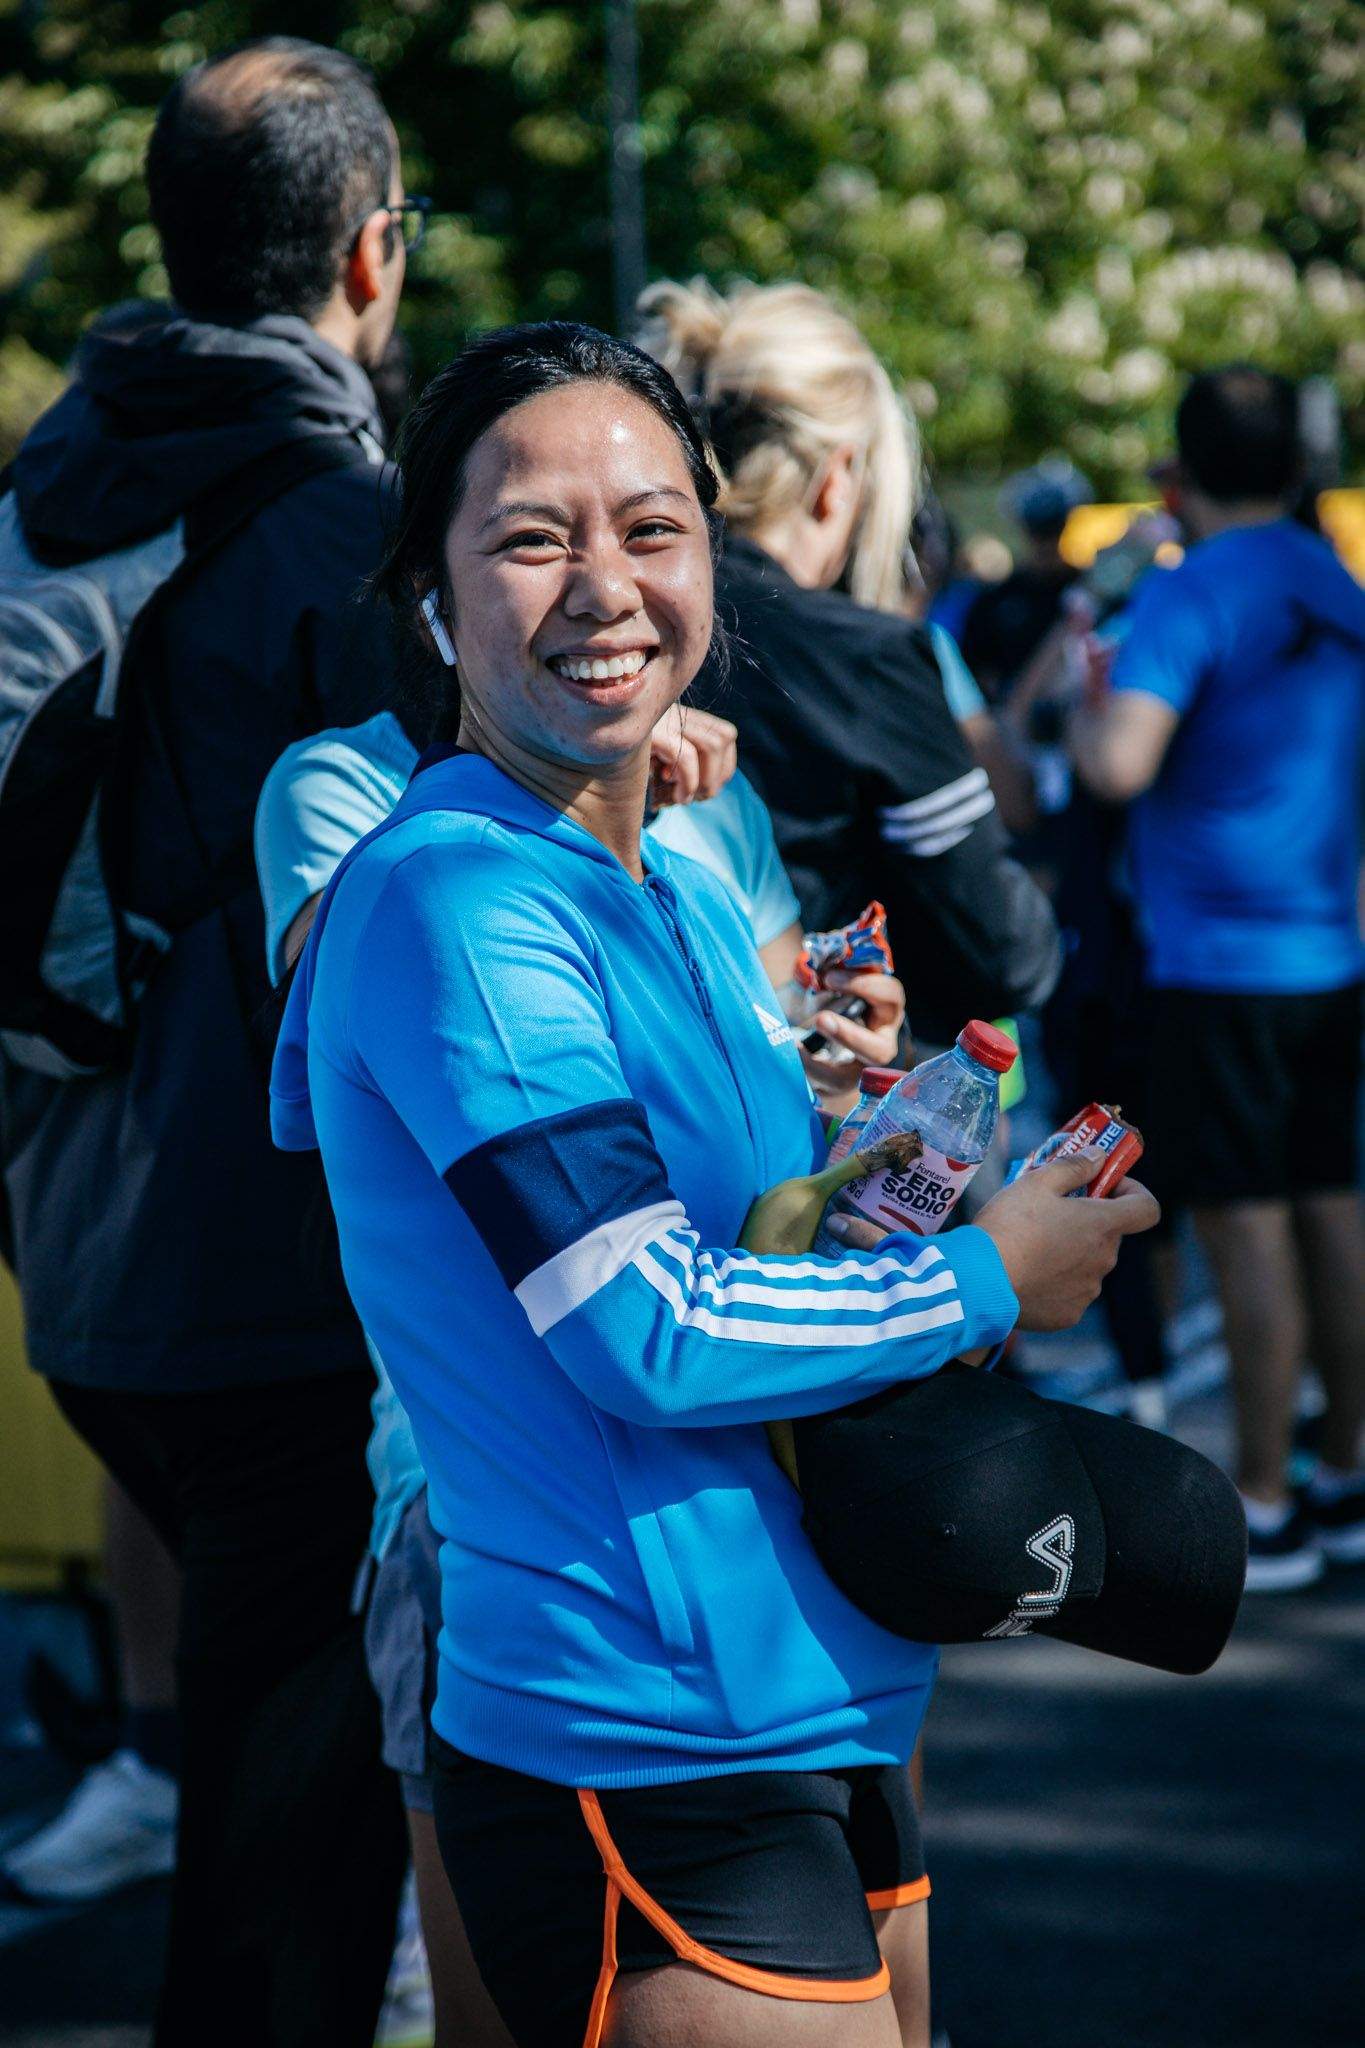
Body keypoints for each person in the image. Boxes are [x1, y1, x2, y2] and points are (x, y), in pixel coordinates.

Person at [271, 319, 1154, 2048]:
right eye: (533, 537)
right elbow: (644, 1323)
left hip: (822, 1681)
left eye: (652, 527)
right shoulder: (453, 896)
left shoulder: (663, 880)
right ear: (431, 591)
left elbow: (760, 1243)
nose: (605, 584)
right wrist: (990, 1275)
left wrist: (888, 1153)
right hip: (642, 1734)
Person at [0, 39, 415, 2042]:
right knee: (288, 1886)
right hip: (275, 1279)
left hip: (75, 1249)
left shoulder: (55, 477)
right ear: (373, 252)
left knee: (270, 1822)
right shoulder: (352, 535)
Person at [1071, 364, 1365, 1590]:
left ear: (1177, 471)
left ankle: (1264, 1499)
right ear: (1295, 465)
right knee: (1333, 1204)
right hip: (1332, 949)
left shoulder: (1193, 589)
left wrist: (1088, 697)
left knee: (1247, 1224)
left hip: (1217, 960)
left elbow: (1116, 766)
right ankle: (1343, 1473)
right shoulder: (1336, 581)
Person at [638, 279, 1061, 1049]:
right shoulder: (866, 657)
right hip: (823, 1071)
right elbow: (1003, 953)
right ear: (836, 478)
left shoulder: (618, 616)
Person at [958, 458, 1090, 703]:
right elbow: (976, 671)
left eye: (1052, 527)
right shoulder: (995, 600)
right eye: (1038, 530)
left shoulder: (1089, 589)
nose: (1045, 540)